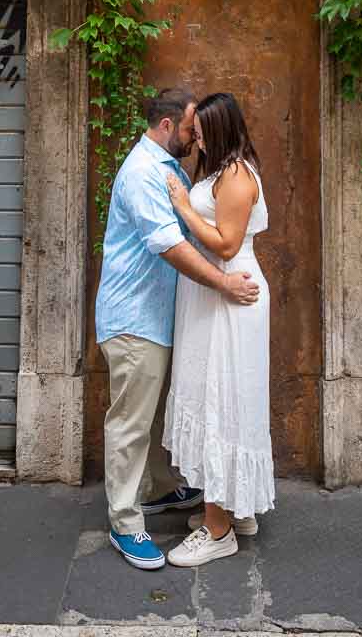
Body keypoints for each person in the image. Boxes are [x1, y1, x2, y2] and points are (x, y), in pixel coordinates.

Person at [95, 87, 261, 571]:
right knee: (130, 421)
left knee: (147, 412)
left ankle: (163, 491)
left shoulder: (168, 167)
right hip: (134, 318)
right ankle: (125, 524)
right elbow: (170, 245)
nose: (196, 137)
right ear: (168, 126)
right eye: (190, 128)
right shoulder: (146, 173)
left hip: (159, 317)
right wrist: (224, 284)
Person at [163, 91, 275, 568]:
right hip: (213, 294)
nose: (197, 136)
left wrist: (184, 208)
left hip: (231, 294)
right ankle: (232, 508)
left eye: (205, 128)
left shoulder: (235, 175)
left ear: (224, 127)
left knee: (220, 401)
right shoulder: (216, 169)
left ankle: (218, 530)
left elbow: (227, 246)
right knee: (219, 399)